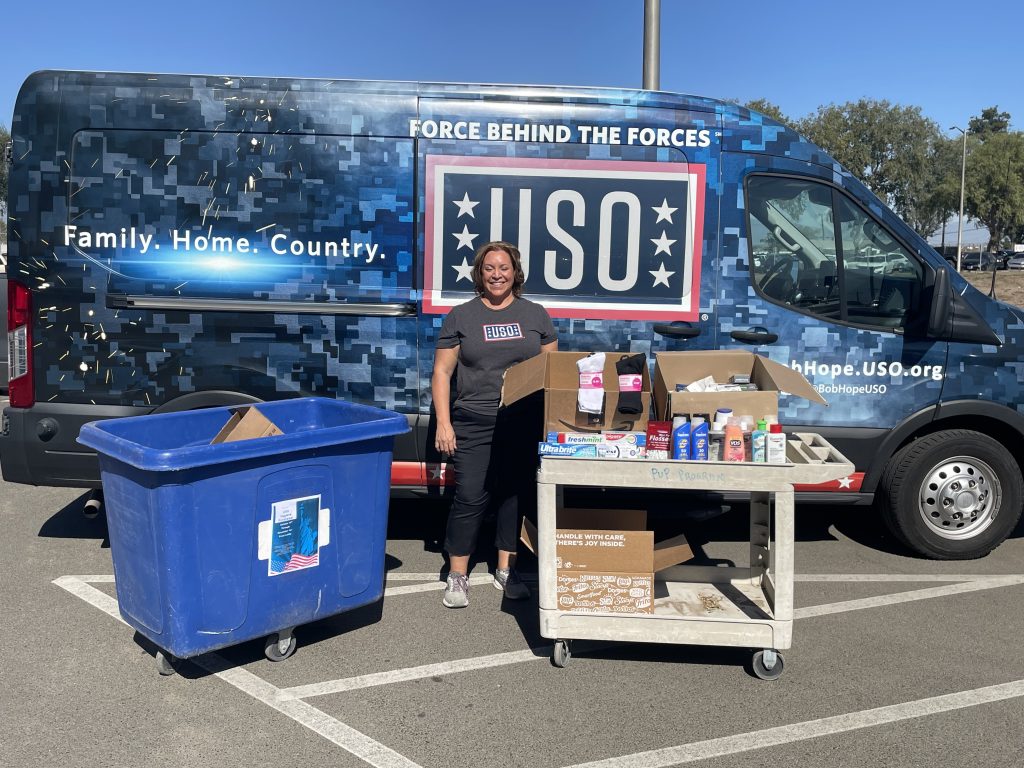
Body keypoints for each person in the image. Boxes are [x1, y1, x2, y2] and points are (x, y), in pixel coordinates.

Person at [432, 241, 558, 608]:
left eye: (504, 268)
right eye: (489, 268)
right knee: (470, 495)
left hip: (521, 420)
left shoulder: (536, 315)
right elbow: (442, 372)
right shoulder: (461, 316)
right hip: (474, 419)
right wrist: (444, 423)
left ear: (515, 273)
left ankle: (507, 569)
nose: (497, 275)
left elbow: (550, 372)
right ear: (479, 273)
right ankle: (457, 574)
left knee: (513, 496)